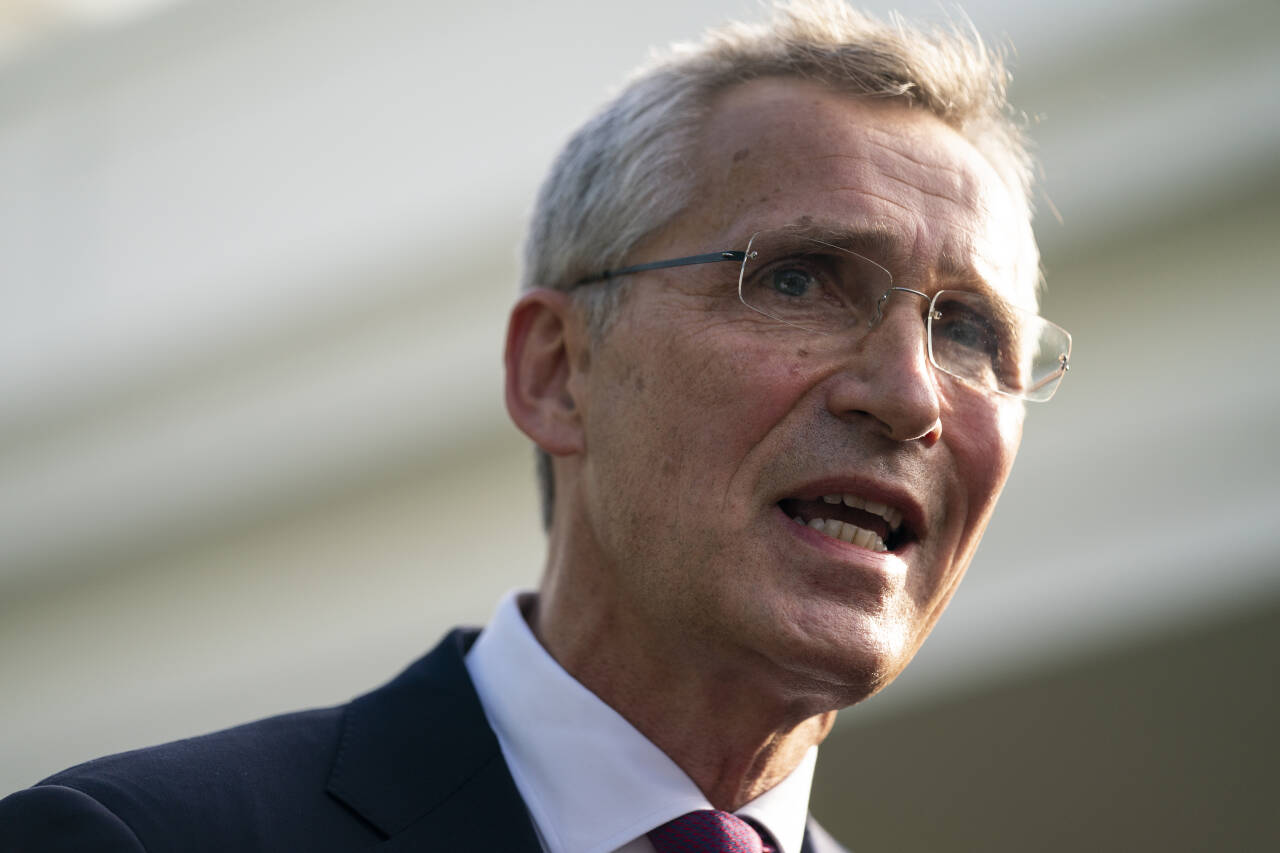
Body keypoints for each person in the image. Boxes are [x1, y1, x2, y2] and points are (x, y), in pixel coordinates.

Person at [0, 1, 1072, 850]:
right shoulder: (136, 839)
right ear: (557, 373)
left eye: (970, 330)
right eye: (797, 279)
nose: (910, 394)